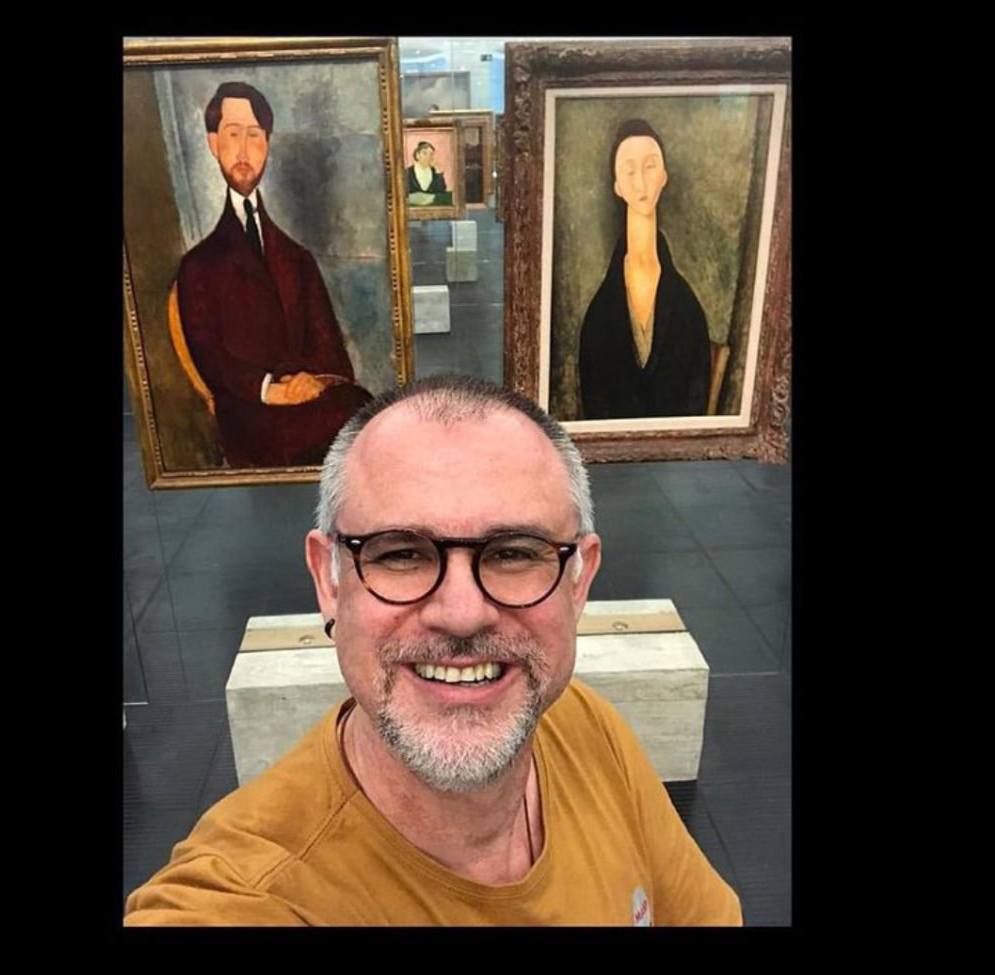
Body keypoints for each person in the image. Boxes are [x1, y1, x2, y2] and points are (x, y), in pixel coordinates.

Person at [124, 374, 742, 926]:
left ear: (579, 582)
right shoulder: (248, 895)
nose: (462, 612)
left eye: (514, 553)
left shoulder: (585, 728)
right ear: (328, 582)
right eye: (400, 554)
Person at [176, 81, 371, 468]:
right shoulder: (197, 265)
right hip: (250, 408)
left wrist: (314, 380)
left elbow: (330, 346)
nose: (243, 151)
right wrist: (270, 390)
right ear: (213, 143)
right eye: (233, 134)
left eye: (254, 135)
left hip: (310, 398)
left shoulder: (298, 258)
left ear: (267, 143)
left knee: (360, 410)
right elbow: (210, 358)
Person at [578, 119, 711, 420]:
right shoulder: (600, 314)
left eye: (650, 166)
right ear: (617, 185)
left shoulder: (687, 307)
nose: (640, 182)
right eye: (629, 170)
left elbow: (696, 400)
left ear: (664, 176)